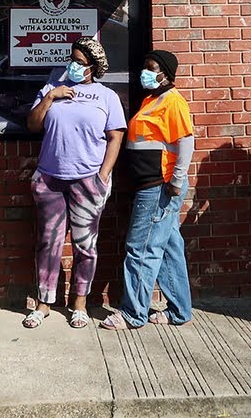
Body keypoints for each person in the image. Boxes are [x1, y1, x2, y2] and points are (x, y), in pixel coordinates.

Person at [21, 37, 126, 329]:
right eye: (72, 59)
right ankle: (44, 303)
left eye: (79, 62)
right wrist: (51, 96)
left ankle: (79, 303)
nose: (73, 65)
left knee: (85, 245)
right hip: (50, 178)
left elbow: (116, 137)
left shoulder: (106, 97)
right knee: (47, 243)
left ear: (93, 67)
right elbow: (33, 124)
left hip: (87, 181)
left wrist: (103, 175)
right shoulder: (52, 89)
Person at [100, 50, 195, 330]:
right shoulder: (152, 99)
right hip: (152, 184)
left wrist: (176, 181)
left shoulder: (173, 102)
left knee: (141, 249)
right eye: (145, 66)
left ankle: (132, 313)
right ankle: (179, 310)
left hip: (159, 186)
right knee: (167, 248)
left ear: (166, 73)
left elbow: (185, 144)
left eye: (152, 67)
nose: (147, 72)